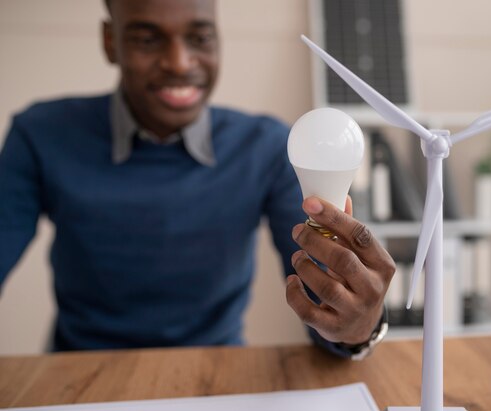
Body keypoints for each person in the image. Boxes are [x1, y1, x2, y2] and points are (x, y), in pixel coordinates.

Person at [0, 0, 394, 358]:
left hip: (213, 377)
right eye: (147, 39)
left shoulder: (265, 147)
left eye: (200, 37)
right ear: (110, 42)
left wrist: (356, 328)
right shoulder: (41, 135)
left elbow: (323, 313)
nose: (179, 62)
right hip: (78, 374)